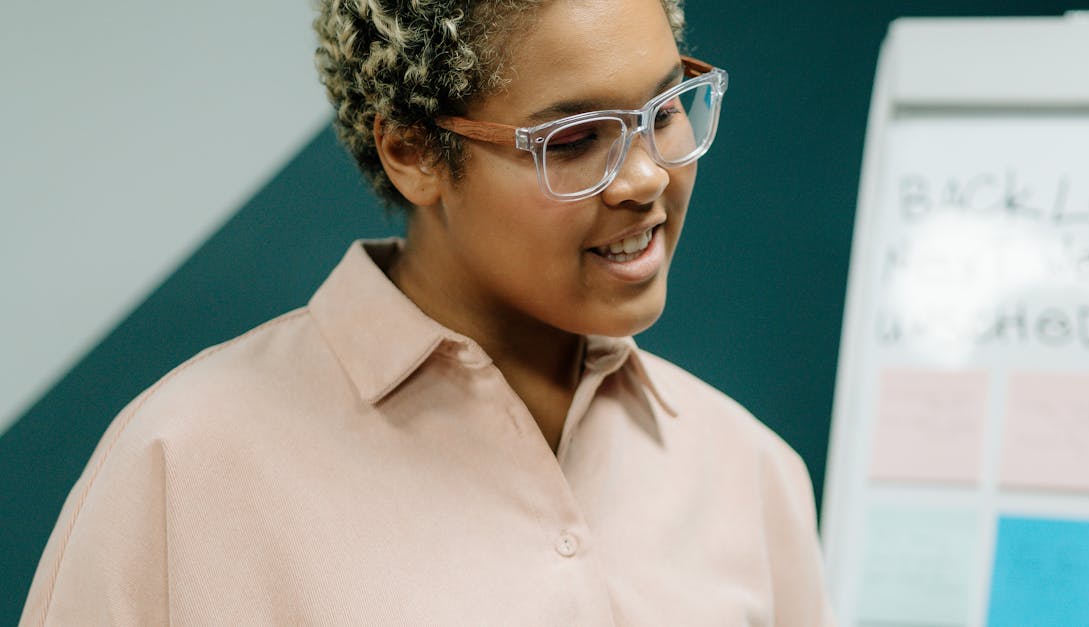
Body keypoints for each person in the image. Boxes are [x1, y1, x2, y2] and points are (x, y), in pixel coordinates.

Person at [21, 0, 834, 624]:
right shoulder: (181, 469)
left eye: (662, 111)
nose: (647, 177)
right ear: (411, 150)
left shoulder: (751, 476)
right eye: (578, 137)